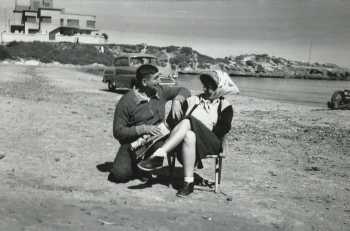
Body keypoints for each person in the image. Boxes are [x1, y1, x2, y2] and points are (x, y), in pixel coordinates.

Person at [137, 70, 239, 197]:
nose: (205, 89)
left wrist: (199, 126)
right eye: (204, 85)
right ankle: (188, 183)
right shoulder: (192, 100)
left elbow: (222, 130)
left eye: (210, 87)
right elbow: (172, 123)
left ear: (220, 88)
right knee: (188, 135)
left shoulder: (225, 106)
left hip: (210, 143)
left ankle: (160, 154)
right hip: (187, 144)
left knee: (188, 121)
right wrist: (177, 101)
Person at [111, 64, 191, 183]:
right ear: (144, 82)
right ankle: (137, 165)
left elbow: (184, 90)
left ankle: (146, 166)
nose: (159, 81)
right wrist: (143, 129)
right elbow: (118, 132)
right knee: (119, 176)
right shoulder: (126, 102)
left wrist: (177, 100)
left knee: (159, 147)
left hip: (157, 139)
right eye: (155, 78)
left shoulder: (160, 91)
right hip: (132, 143)